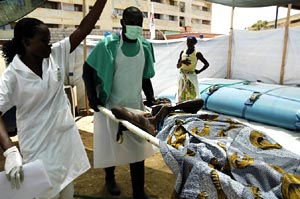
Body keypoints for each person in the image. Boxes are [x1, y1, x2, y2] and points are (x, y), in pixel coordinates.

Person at [0, 0, 107, 198]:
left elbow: (84, 28)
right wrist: (10, 151)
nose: (49, 44)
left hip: (64, 143)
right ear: (26, 42)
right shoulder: (13, 76)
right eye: (44, 40)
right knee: (46, 194)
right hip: (38, 149)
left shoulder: (54, 55)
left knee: (67, 192)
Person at [82, 6, 158, 199]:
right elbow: (87, 69)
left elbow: (145, 77)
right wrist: (92, 96)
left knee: (137, 149)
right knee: (110, 146)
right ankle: (110, 180)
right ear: (122, 23)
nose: (135, 27)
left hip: (134, 106)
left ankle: (138, 191)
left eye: (138, 24)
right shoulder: (108, 45)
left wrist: (150, 97)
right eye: (131, 23)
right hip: (110, 105)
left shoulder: (145, 46)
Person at [176, 36, 209, 102]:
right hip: (182, 76)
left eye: (191, 42)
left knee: (192, 93)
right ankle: (182, 105)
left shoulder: (197, 54)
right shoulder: (183, 52)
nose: (189, 43)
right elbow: (178, 66)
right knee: (181, 93)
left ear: (194, 43)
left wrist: (199, 71)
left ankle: (191, 107)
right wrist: (182, 61)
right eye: (188, 42)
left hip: (191, 76)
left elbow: (206, 64)